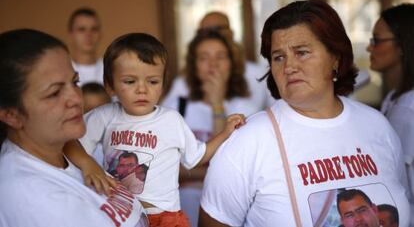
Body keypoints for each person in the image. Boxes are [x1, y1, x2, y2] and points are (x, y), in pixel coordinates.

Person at [199, 0, 410, 227]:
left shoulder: (377, 126)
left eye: (302, 52)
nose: (289, 66)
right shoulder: (248, 141)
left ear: (335, 58)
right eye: (278, 57)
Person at [63, 32, 245, 227]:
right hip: (121, 215)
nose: (142, 89)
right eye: (130, 81)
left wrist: (225, 133)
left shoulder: (172, 120)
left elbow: (198, 156)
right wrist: (89, 165)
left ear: (163, 85)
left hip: (166, 218)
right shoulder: (105, 116)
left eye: (152, 81)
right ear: (110, 86)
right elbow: (68, 140)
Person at [0, 29, 148, 227]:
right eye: (54, 93)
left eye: (75, 82)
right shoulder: (33, 197)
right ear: (11, 115)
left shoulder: (63, 146)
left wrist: (86, 160)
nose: (76, 99)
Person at [164, 29, 257, 226]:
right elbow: (163, 167)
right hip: (180, 210)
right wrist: (206, 172)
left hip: (227, 213)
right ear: (194, 65)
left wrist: (217, 106)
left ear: (232, 63)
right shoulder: (176, 106)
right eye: (204, 57)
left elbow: (230, 166)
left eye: (220, 57)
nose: (212, 64)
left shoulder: (247, 109)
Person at [366, 4, 414, 226]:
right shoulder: (393, 98)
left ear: (403, 45)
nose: (369, 48)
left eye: (377, 40)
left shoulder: (408, 109)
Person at [68, 7, 104, 86]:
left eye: (94, 29)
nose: (88, 35)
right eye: (81, 29)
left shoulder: (110, 71)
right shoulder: (64, 71)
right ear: (71, 35)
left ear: (100, 34)